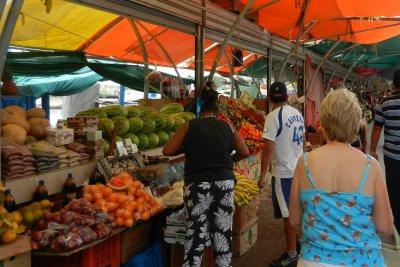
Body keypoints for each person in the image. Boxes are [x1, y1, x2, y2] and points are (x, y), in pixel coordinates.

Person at [290, 89, 393, 266]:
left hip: (313, 260)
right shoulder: (371, 166)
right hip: (363, 260)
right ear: (356, 124)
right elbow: (385, 227)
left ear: (323, 122)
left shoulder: (304, 163)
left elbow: (294, 220)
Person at [163, 88, 249, 267]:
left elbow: (167, 150)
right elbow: (245, 151)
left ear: (198, 108)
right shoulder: (228, 127)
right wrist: (228, 161)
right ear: (217, 109)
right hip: (224, 183)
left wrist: (188, 147)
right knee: (222, 231)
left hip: (197, 185)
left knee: (195, 232)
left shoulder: (189, 125)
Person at [257, 82, 304, 267]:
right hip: (299, 169)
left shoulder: (272, 116)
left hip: (284, 172)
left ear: (269, 98)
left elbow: (268, 147)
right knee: (297, 210)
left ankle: (292, 255)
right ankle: (298, 243)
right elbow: (304, 141)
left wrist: (262, 175)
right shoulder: (297, 114)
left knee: (288, 215)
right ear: (286, 96)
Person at [370, 69, 400, 232]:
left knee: (394, 190)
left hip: (392, 156)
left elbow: (376, 128)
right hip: (392, 154)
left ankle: (397, 226)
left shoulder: (385, 103)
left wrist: (373, 151)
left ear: (394, 84)